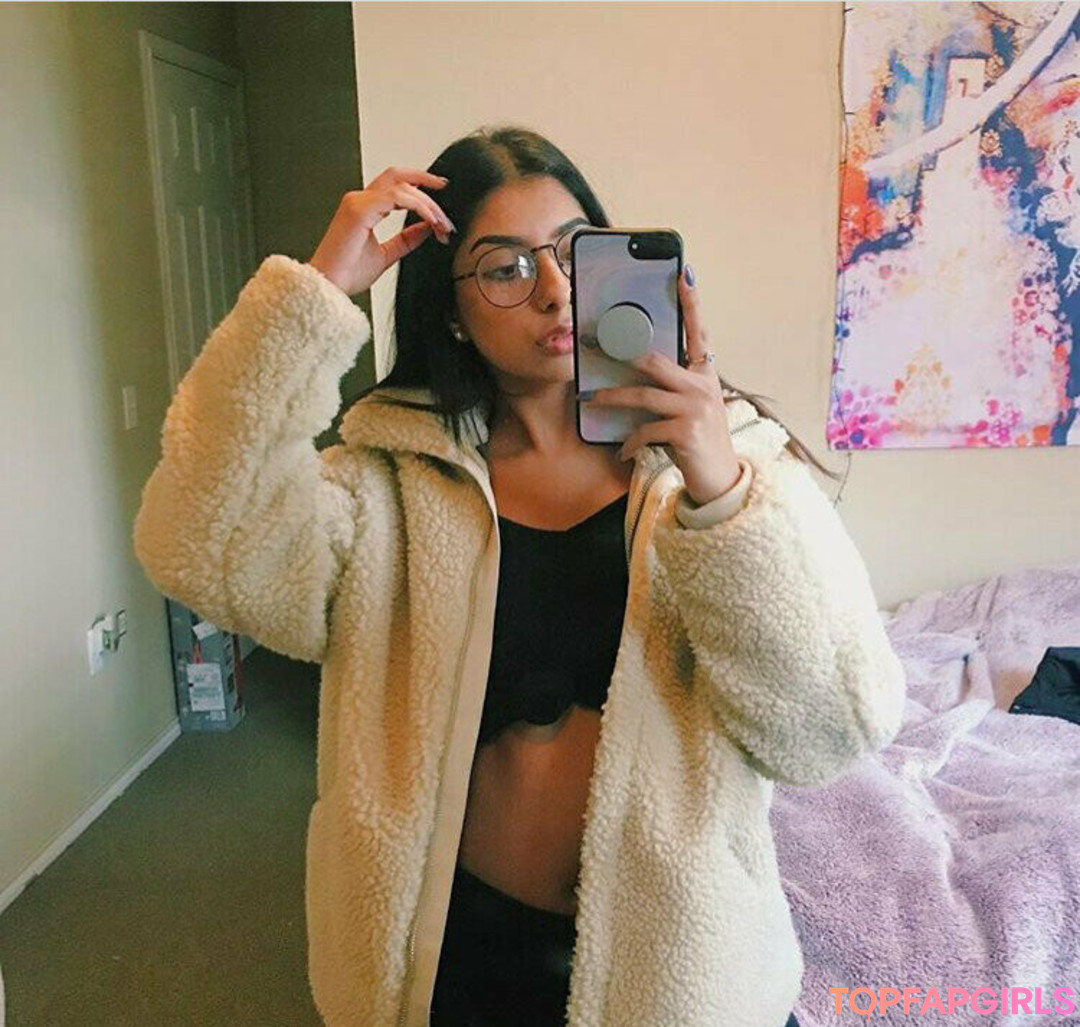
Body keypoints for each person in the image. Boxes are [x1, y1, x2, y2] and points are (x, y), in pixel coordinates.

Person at [133, 125, 907, 1027]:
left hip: (675, 975)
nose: (555, 289)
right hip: (450, 960)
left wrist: (718, 487)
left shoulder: (729, 468)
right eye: (505, 267)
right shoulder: (385, 489)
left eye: (576, 251)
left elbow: (832, 730)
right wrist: (315, 295)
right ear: (453, 311)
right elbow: (196, 542)